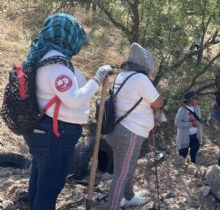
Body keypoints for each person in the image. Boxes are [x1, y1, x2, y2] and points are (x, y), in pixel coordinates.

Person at [22, 13, 112, 210]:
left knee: (40, 186)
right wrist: (97, 79)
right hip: (56, 135)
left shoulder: (42, 56)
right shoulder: (56, 64)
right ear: (66, 36)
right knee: (49, 191)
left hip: (43, 131)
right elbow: (74, 99)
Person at [105, 43, 164, 210]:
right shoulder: (140, 78)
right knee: (121, 174)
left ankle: (129, 196)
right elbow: (158, 102)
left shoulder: (122, 75)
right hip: (130, 132)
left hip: (117, 129)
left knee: (125, 167)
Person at [174, 91, 205, 164]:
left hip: (195, 136)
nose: (198, 100)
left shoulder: (197, 108)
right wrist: (191, 124)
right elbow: (177, 123)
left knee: (194, 156)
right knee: (182, 156)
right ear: (191, 100)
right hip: (185, 137)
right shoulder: (182, 110)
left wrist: (204, 121)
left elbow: (199, 119)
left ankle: (193, 170)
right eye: (196, 98)